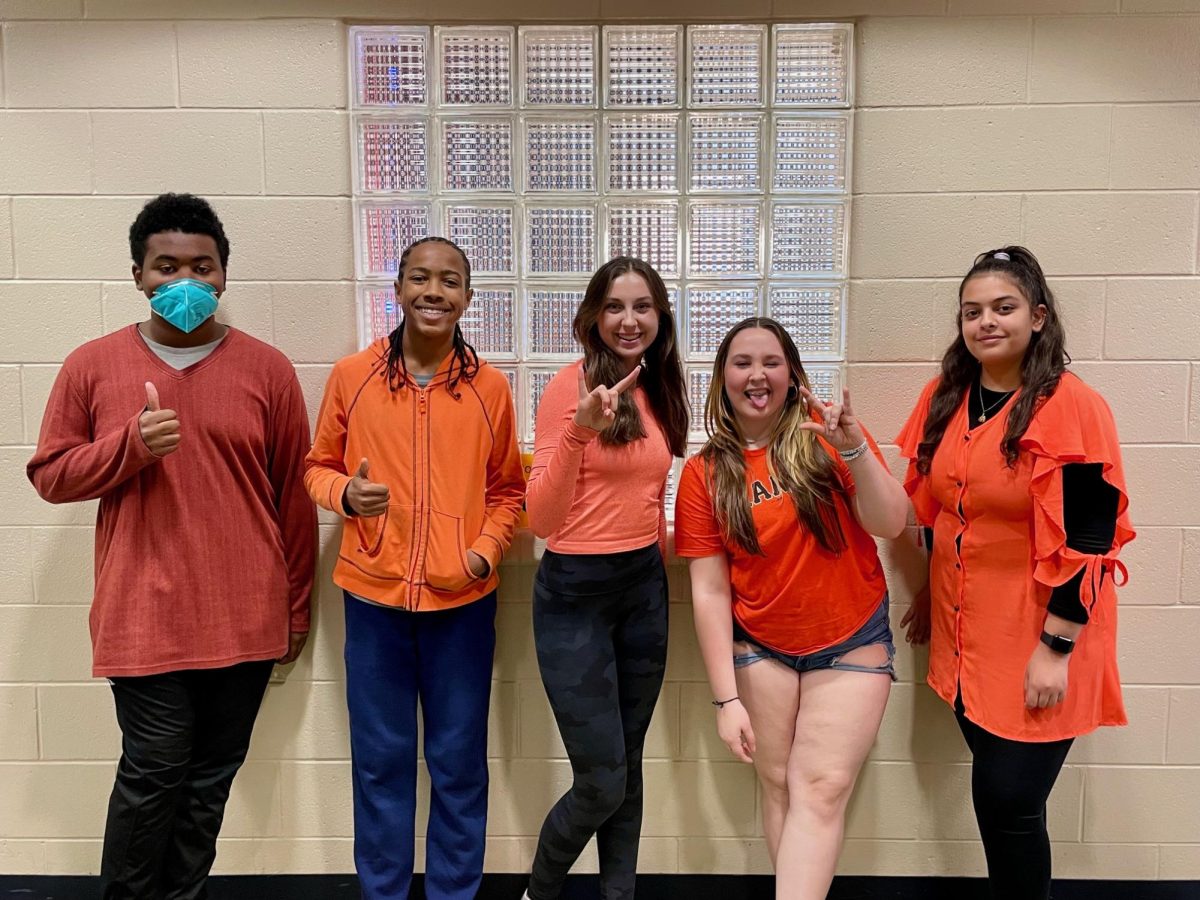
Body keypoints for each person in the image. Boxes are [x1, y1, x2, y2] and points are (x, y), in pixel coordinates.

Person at [26, 193, 316, 900]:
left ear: (222, 275)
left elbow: (294, 498)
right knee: (154, 775)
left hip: (245, 619)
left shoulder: (268, 370)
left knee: (208, 786)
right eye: (166, 265)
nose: (183, 280)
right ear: (136, 274)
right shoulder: (92, 366)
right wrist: (128, 448)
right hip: (143, 616)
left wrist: (295, 612)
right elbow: (50, 476)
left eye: (201, 266)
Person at [896, 246, 1134, 900]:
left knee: (1009, 802)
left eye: (1003, 308)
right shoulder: (946, 398)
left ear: (1038, 316)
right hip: (966, 630)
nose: (985, 323)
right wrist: (926, 588)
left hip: (1040, 633)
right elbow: (944, 511)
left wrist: (1055, 650)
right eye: (972, 312)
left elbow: (1092, 535)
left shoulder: (1072, 405)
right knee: (999, 801)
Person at [304, 236, 525, 900]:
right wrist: (345, 494)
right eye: (420, 278)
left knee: (457, 766)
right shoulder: (353, 375)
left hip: (462, 607)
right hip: (373, 605)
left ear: (467, 297)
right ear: (396, 289)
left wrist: (482, 552)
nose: (435, 291)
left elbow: (509, 491)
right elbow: (316, 467)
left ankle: (455, 894)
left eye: (450, 280)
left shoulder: (490, 388)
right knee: (381, 766)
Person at [673, 316, 908, 900]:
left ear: (792, 373)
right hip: (762, 648)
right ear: (722, 379)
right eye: (742, 362)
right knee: (779, 786)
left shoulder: (829, 435)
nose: (757, 375)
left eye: (771, 362)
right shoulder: (706, 473)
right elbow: (709, 591)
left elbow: (891, 523)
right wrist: (725, 699)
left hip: (851, 639)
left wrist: (853, 448)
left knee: (821, 787)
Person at [522, 257, 689, 900]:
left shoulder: (661, 387)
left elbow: (649, 496)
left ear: (660, 316)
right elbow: (541, 519)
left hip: (642, 590)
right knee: (602, 780)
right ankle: (540, 892)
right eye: (615, 307)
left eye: (642, 306)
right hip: (574, 596)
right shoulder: (570, 388)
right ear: (593, 317)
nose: (629, 320)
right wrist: (577, 433)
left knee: (630, 765)